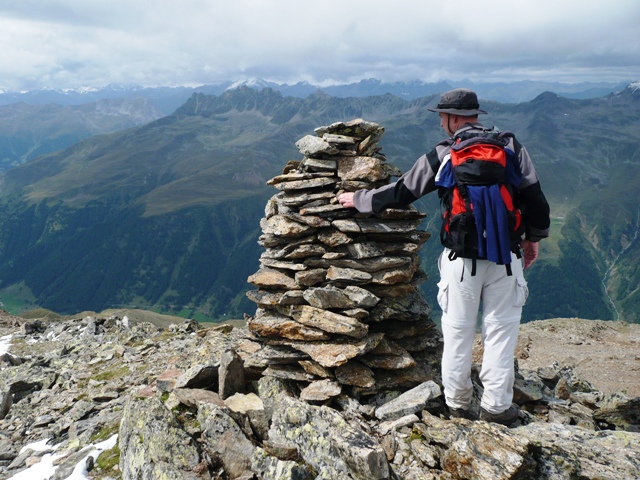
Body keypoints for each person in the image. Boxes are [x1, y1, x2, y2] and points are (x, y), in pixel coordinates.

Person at [337, 88, 550, 426]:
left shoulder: (445, 153)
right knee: (500, 333)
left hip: (461, 262)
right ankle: (497, 408)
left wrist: (360, 199)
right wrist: (533, 239)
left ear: (453, 119)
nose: (440, 123)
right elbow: (536, 200)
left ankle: (458, 405)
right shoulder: (511, 147)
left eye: (442, 117)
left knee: (458, 332)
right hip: (506, 260)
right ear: (475, 115)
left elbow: (403, 191)